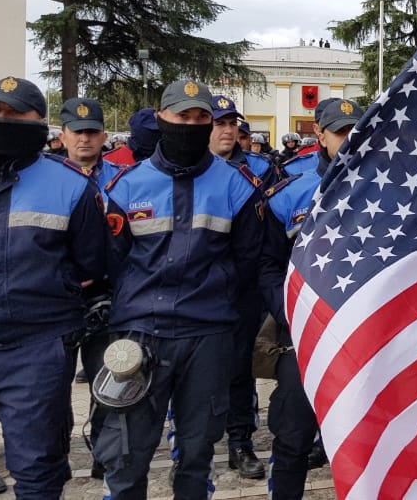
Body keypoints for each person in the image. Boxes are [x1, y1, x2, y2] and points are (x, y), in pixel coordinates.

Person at [96, 78, 268, 499]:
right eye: (182, 116)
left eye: (200, 117)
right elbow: (112, 261)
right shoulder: (127, 186)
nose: (190, 125)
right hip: (141, 333)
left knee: (197, 452)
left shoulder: (238, 186)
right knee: (127, 454)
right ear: (161, 118)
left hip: (208, 335)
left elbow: (247, 262)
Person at [0, 76, 108, 498]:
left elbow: (93, 264)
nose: (1, 119)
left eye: (14, 113)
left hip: (36, 348)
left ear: (39, 122)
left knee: (38, 468)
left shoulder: (71, 185)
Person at [260, 99, 361, 499]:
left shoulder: (389, 189)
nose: (350, 139)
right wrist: (289, 312)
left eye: (356, 130)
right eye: (341, 132)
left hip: (364, 338)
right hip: (304, 338)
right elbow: (267, 266)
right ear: (320, 134)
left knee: (364, 442)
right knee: (292, 439)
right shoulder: (289, 194)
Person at [208, 95, 281, 480]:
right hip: (199, 292)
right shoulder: (190, 171)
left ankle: (240, 442)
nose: (227, 130)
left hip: (243, 289)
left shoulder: (260, 171)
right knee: (195, 379)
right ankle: (191, 450)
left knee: (240, 371)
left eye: (232, 123)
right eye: (219, 123)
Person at [58, 97, 125, 477]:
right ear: (63, 136)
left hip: (108, 296)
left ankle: (105, 452)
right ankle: (54, 453)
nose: (84, 139)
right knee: (52, 388)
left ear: (103, 136)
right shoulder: (46, 178)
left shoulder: (123, 178)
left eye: (91, 132)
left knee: (108, 382)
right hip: (58, 299)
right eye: (77, 132)